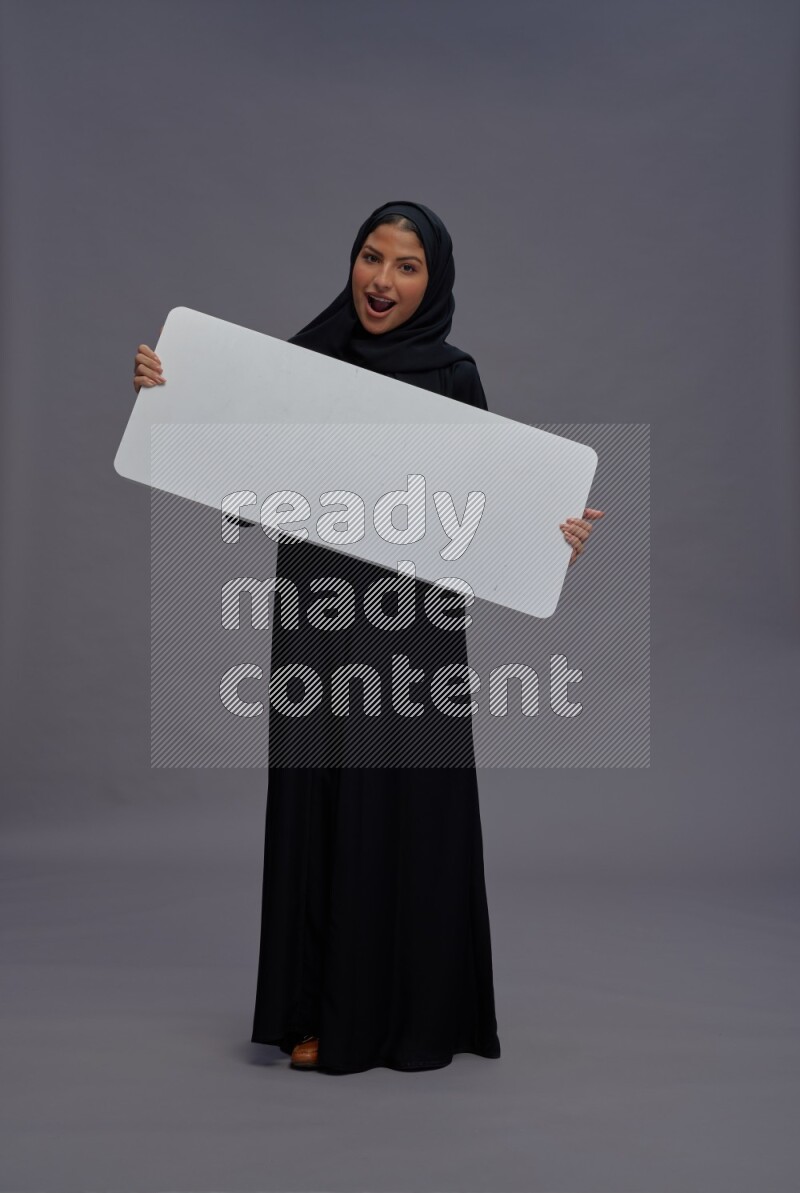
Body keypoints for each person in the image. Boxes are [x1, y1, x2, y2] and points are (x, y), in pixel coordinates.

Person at [132, 200, 604, 1075]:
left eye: (407, 265)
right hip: (316, 610)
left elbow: (493, 510)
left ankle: (411, 1010)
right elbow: (227, 455)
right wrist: (167, 394)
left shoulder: (455, 377)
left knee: (405, 800)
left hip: (414, 625)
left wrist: (555, 536)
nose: (382, 280)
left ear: (436, 281)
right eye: (371, 257)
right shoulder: (305, 363)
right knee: (321, 790)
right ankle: (316, 1007)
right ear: (351, 260)